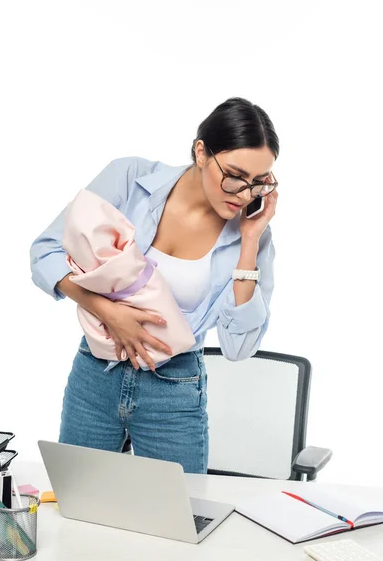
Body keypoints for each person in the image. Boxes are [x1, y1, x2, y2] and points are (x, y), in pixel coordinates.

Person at [30, 97, 279, 474]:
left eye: (258, 183)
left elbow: (239, 346)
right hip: (97, 375)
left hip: (174, 390)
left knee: (175, 521)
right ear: (201, 151)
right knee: (78, 506)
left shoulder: (251, 235)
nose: (244, 194)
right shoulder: (130, 179)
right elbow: (45, 253)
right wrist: (108, 312)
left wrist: (248, 241)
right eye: (234, 174)